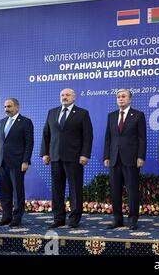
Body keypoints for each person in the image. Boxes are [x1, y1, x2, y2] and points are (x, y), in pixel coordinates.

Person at [41, 88, 93, 228]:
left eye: (67, 95)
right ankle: (58, 218)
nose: (65, 97)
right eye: (62, 95)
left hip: (75, 158)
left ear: (74, 98)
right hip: (55, 157)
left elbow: (88, 136)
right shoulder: (52, 112)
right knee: (57, 189)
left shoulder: (82, 113)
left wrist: (85, 154)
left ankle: (74, 218)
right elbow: (46, 134)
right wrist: (45, 153)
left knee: (75, 189)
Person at [104, 89, 146, 230]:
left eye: (123, 96)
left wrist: (140, 156)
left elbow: (142, 139)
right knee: (115, 191)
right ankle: (117, 219)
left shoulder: (138, 115)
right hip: (114, 158)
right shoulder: (111, 116)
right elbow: (108, 138)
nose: (120, 99)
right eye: (118, 97)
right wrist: (106, 156)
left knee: (132, 190)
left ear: (130, 99)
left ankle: (133, 219)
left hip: (131, 159)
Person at [0, 98, 34, 227]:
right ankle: (6, 217)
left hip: (18, 163)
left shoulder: (26, 122)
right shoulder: (2, 122)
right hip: (2, 163)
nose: (6, 109)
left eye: (9, 106)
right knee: (4, 191)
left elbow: (29, 143)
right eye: (5, 107)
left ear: (17, 107)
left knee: (17, 192)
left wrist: (26, 160)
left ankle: (17, 218)